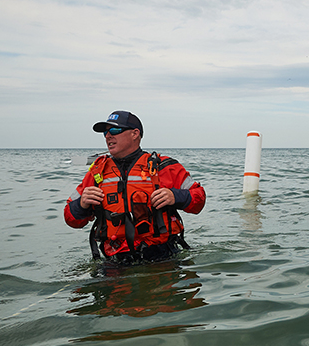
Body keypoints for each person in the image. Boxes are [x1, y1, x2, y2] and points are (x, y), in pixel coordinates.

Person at [64, 110, 206, 263]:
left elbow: (199, 199)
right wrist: (81, 204)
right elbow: (71, 219)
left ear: (135, 134)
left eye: (115, 130)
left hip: (163, 259)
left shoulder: (163, 166)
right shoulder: (97, 171)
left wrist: (175, 196)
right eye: (105, 132)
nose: (108, 136)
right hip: (115, 262)